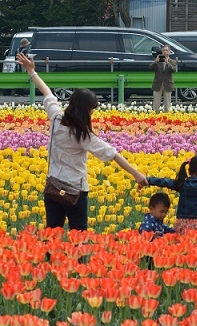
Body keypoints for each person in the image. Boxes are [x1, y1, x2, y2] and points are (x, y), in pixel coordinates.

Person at [16, 52, 148, 231]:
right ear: (86, 111)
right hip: (75, 191)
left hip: (53, 187)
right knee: (79, 235)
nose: (93, 113)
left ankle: (52, 259)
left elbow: (47, 93)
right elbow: (113, 155)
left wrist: (31, 72)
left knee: (52, 233)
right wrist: (137, 174)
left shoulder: (56, 119)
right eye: (92, 110)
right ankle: (78, 260)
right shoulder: (83, 135)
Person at [150, 45, 177, 113]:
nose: (165, 52)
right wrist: (155, 62)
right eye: (163, 50)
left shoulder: (172, 61)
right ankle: (155, 116)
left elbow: (174, 69)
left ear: (169, 52)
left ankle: (166, 117)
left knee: (167, 104)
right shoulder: (158, 61)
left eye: (166, 50)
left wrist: (167, 63)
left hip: (167, 84)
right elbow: (151, 68)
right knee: (156, 104)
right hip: (157, 84)